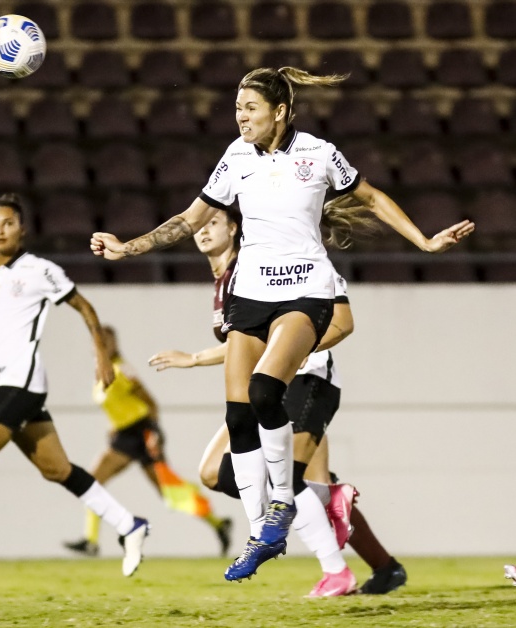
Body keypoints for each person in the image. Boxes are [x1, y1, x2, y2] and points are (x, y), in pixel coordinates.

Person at [90, 66, 474, 582]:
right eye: (236, 109)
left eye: (250, 108)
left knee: (266, 390)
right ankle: (261, 533)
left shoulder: (318, 153)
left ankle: (282, 510)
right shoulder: (236, 157)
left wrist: (424, 241)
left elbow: (372, 197)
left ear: (281, 111)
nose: (241, 117)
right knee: (239, 414)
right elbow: (190, 218)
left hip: (306, 289)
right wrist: (128, 246)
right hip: (250, 293)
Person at [150, 208, 406, 596]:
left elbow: (334, 322)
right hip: (272, 389)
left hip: (305, 381)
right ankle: (383, 566)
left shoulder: (266, 264)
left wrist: (197, 358)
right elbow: (247, 344)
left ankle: (337, 570)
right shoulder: (226, 279)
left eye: (212, 222)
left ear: (236, 227)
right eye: (198, 225)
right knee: (218, 473)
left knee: (290, 482)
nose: (201, 230)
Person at [0, 194, 150, 587]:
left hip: (20, 383)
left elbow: (85, 308)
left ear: (22, 229)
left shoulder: (40, 270)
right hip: (5, 382)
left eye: (7, 223)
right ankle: (130, 524)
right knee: (56, 469)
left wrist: (101, 358)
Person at [63, 325, 232, 559]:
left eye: (107, 341)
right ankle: (90, 540)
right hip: (124, 436)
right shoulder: (102, 373)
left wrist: (153, 433)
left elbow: (150, 403)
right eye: (98, 341)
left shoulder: (121, 369)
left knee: (168, 491)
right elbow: (118, 406)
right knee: (95, 480)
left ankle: (217, 522)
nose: (102, 345)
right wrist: (113, 427)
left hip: (141, 432)